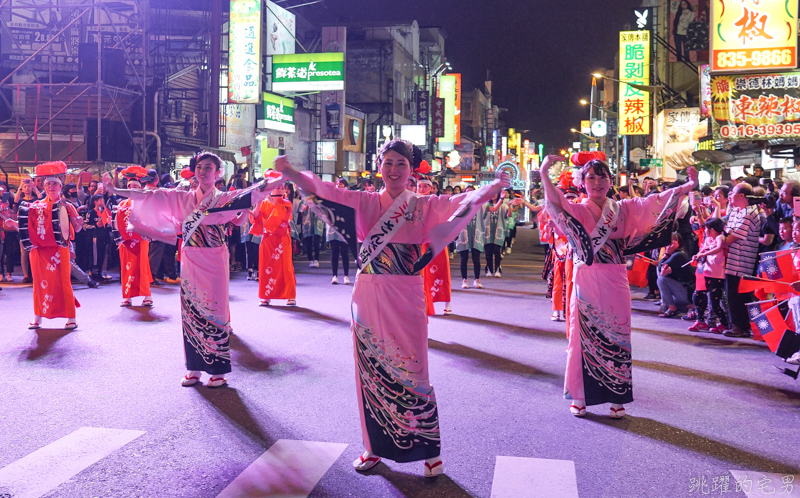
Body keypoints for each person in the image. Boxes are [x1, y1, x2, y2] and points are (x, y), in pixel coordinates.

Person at [274, 139, 509, 478]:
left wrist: (488, 189)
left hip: (407, 291)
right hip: (369, 291)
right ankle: (374, 446)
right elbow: (327, 193)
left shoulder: (424, 205)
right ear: (379, 165)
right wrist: (293, 174)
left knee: (415, 368)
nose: (395, 170)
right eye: (389, 162)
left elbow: (457, 203)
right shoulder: (364, 201)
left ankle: (429, 451)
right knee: (371, 370)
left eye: (402, 163)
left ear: (412, 169)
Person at [541, 152, 697, 419]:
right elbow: (555, 202)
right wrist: (544, 173)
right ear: (582, 182)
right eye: (591, 177)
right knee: (582, 337)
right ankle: (580, 395)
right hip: (587, 278)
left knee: (617, 337)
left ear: (610, 181)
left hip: (615, 278)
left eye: (602, 177)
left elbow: (654, 203)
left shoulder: (623, 209)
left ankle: (617, 397)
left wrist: (685, 188)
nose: (597, 183)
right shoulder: (577, 209)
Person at [103, 152, 278, 388]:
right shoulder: (181, 198)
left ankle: (217, 369)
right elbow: (148, 195)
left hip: (215, 258)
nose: (203, 171)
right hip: (190, 259)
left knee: (214, 311)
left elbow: (255, 192)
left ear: (218, 173)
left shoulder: (225, 198)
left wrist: (282, 177)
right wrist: (115, 191)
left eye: (209, 167)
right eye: (200, 167)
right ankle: (194, 367)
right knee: (191, 312)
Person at [13, 162, 81, 330]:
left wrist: (78, 223)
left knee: (63, 281)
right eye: (48, 184)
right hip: (39, 251)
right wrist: (13, 223)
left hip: (59, 250)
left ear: (60, 186)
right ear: (43, 186)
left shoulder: (68, 206)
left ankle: (71, 317)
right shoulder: (35, 206)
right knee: (38, 282)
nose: (51, 187)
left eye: (55, 184)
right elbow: (27, 226)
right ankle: (38, 317)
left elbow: (77, 228)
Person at [720, 182, 762, 338]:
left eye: (732, 193)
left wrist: (720, 239)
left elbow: (729, 238)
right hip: (732, 261)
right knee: (732, 295)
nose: (730, 196)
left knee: (737, 296)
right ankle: (736, 325)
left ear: (742, 195)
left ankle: (741, 327)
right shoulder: (737, 211)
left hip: (741, 262)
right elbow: (726, 232)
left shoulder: (749, 213)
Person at [251, 173, 296, 307]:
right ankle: (265, 296)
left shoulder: (287, 203)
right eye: (277, 187)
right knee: (265, 267)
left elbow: (283, 216)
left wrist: (270, 200)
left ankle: (290, 295)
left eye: (282, 188)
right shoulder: (264, 202)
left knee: (286, 267)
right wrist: (258, 202)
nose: (280, 189)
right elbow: (255, 218)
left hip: (282, 239)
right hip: (267, 239)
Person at [113, 167, 153, 307]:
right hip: (125, 241)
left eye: (136, 186)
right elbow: (116, 223)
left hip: (141, 240)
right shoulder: (122, 204)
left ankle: (147, 295)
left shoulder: (146, 203)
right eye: (131, 187)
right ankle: (127, 296)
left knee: (141, 266)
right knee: (126, 267)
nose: (133, 189)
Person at [688, 218, 729, 333]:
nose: (704, 230)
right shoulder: (708, 239)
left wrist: (704, 253)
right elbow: (703, 250)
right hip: (706, 272)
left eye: (706, 228)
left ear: (711, 229)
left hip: (717, 275)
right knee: (697, 295)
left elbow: (719, 248)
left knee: (714, 301)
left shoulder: (720, 237)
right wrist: (697, 255)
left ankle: (724, 324)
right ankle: (700, 320)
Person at [656, 233, 696, 318]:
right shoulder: (672, 256)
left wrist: (666, 253)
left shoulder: (679, 255)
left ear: (679, 242)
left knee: (661, 279)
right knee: (662, 276)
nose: (670, 243)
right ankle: (688, 306)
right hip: (681, 292)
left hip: (687, 292)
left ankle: (673, 308)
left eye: (673, 240)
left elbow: (660, 268)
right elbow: (660, 269)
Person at [455, 185, 485, 289]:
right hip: (463, 233)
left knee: (476, 258)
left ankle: (477, 279)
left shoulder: (480, 204)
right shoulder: (460, 205)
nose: (470, 194)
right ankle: (465, 279)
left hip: (476, 233)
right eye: (467, 192)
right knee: (464, 258)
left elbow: (492, 209)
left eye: (472, 192)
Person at [328, 178, 352, 285]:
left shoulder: (349, 196)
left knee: (344, 253)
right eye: (337, 184)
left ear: (345, 186)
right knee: (334, 253)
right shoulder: (331, 196)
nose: (339, 185)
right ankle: (334, 275)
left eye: (341, 184)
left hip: (345, 226)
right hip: (333, 228)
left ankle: (346, 275)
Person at [484, 190, 508, 277]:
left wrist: (510, 206)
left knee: (497, 251)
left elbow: (508, 215)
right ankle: (489, 270)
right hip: (487, 231)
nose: (493, 195)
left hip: (498, 231)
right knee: (488, 252)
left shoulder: (503, 205)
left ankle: (497, 269)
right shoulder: (485, 205)